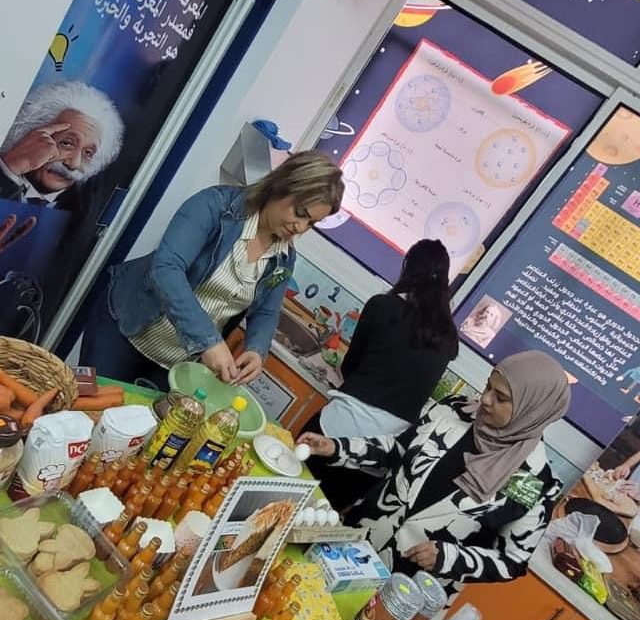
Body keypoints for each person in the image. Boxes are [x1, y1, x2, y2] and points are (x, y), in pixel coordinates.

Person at [298, 351, 570, 603]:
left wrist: (449, 558)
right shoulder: (454, 411)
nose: (486, 399)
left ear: (532, 410)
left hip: (406, 591)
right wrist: (337, 447)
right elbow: (397, 449)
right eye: (488, 386)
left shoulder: (533, 481)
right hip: (353, 544)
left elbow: (512, 560)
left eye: (500, 398)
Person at [79, 151, 344, 388]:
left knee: (138, 422)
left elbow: (267, 311)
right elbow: (166, 269)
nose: (300, 227)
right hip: (125, 327)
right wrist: (207, 340)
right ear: (280, 186)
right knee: (82, 402)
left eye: (311, 223)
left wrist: (256, 349)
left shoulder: (284, 258)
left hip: (175, 361)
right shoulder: (214, 206)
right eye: (300, 213)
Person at [304, 239, 458, 509]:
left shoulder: (382, 306)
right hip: (376, 455)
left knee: (276, 492)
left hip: (336, 427)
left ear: (408, 268)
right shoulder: (448, 339)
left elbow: (349, 367)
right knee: (318, 520)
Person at [0, 81, 124, 208]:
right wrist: (8, 169)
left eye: (88, 153)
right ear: (29, 135)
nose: (74, 164)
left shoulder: (83, 209)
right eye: (66, 143)